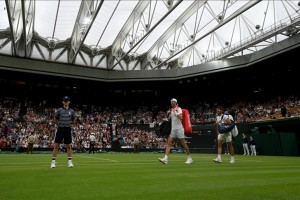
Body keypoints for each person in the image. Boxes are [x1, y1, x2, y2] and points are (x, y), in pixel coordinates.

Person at [158, 98, 193, 164]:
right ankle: (166, 158)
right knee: (169, 143)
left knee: (183, 143)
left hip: (179, 129)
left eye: (173, 102)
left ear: (176, 103)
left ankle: (189, 158)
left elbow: (181, 117)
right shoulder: (171, 110)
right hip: (173, 129)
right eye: (171, 102)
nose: (171, 103)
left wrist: (175, 112)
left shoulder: (179, 109)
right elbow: (169, 119)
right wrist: (168, 114)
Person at [50, 96, 76, 168]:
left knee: (68, 146)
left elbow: (74, 119)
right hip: (60, 129)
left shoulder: (72, 111)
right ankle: (53, 162)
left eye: (67, 101)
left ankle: (70, 162)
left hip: (68, 129)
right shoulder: (59, 110)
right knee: (56, 146)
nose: (66, 102)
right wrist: (58, 123)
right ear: (62, 102)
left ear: (69, 102)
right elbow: (55, 117)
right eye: (65, 101)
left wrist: (71, 124)